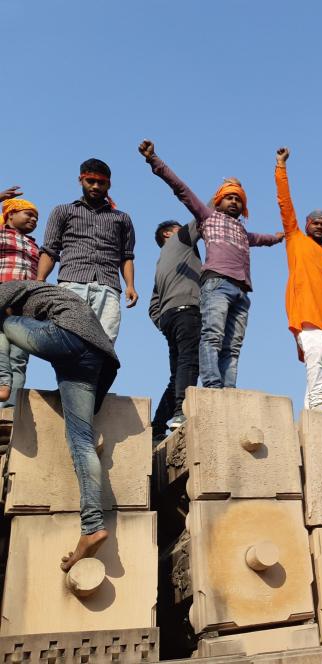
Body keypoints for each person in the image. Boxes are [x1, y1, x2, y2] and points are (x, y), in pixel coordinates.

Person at [138, 140, 283, 388]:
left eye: (238, 198)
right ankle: (213, 385)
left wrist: (279, 238)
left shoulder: (242, 231)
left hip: (242, 290)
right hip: (217, 284)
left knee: (233, 345)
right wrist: (155, 160)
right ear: (217, 201)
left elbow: (260, 239)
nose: (234, 202)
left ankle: (228, 389)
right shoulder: (208, 217)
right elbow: (181, 189)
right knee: (213, 336)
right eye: (228, 197)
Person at [0, 281, 119, 572]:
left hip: (66, 336)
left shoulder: (15, 287)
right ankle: (92, 526)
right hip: (94, 357)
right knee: (80, 440)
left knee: (1, 323)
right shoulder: (56, 297)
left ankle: (3, 381)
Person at [274, 147, 322, 411]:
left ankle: (311, 414)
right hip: (305, 314)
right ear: (306, 225)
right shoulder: (295, 240)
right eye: (315, 222)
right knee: (315, 356)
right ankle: (318, 404)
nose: (319, 226)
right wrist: (281, 166)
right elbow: (285, 203)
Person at [38, 158, 137, 344]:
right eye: (91, 181)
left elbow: (126, 256)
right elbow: (50, 250)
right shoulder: (63, 211)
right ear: (80, 180)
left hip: (108, 285)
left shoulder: (122, 219)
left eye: (101, 182)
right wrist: (40, 282)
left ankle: (96, 374)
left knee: (104, 343)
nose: (96, 186)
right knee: (69, 339)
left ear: (109, 184)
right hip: (71, 282)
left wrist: (130, 285)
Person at [148, 219, 201, 439]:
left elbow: (153, 304)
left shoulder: (162, 263)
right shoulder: (180, 242)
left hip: (171, 316)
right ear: (169, 235)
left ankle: (157, 426)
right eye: (180, 229)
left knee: (177, 372)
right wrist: (226, 190)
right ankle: (180, 412)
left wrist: (162, 322)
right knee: (189, 363)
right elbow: (203, 215)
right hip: (187, 310)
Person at [0, 187, 41, 407]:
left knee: (19, 358)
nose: (33, 219)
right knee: (1, 350)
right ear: (11, 214)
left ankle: (10, 410)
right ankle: (4, 386)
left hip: (24, 307)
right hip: (1, 297)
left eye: (36, 217)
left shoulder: (34, 244)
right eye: (29, 214)